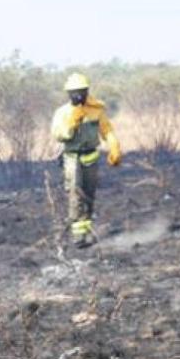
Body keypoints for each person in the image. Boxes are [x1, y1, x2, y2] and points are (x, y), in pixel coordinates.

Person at [51, 73, 122, 248]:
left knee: (89, 194)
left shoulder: (96, 109)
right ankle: (78, 236)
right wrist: (71, 124)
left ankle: (87, 230)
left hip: (91, 156)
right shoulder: (63, 113)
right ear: (68, 94)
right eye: (74, 92)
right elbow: (58, 135)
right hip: (72, 158)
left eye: (81, 91)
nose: (78, 95)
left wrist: (114, 146)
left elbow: (107, 130)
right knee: (75, 194)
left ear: (87, 91)